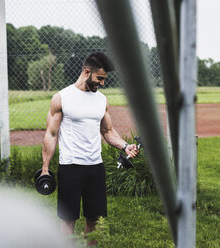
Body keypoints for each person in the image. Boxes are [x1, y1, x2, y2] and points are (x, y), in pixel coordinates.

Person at [41, 52, 139, 246]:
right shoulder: (62, 98)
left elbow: (108, 131)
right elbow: (51, 134)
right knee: (68, 220)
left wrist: (125, 146)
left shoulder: (101, 100)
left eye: (104, 79)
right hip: (70, 167)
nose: (102, 83)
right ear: (86, 72)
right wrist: (45, 168)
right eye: (99, 79)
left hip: (95, 167)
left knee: (94, 219)